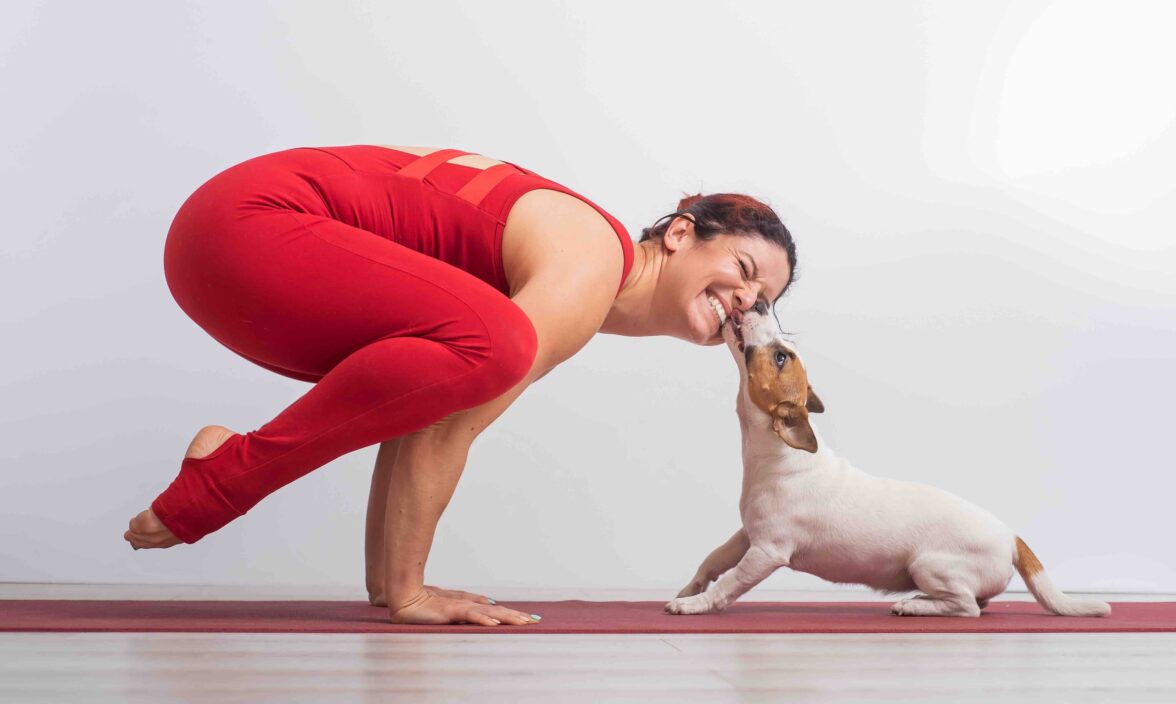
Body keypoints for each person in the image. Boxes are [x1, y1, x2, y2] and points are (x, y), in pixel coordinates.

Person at [123, 144, 797, 626]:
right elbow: (455, 423)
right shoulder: (593, 260)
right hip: (251, 226)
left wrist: (389, 589)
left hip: (218, 248)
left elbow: (426, 411)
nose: (745, 300)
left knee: (466, 358)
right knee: (498, 346)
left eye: (763, 299)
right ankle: (223, 477)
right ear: (681, 233)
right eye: (742, 268)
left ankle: (239, 478)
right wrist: (415, 594)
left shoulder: (575, 274)